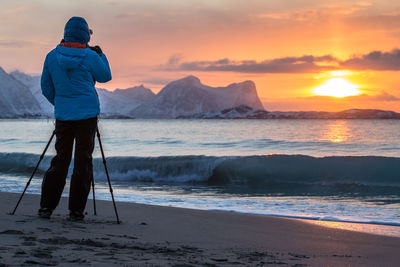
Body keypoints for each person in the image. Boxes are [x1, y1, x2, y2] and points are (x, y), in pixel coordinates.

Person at [38, 16, 112, 221]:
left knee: (60, 159)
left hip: (63, 116)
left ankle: (46, 208)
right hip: (87, 115)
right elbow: (106, 76)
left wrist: (62, 104)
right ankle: (76, 210)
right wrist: (101, 54)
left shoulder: (52, 57)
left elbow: (46, 88)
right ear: (85, 35)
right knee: (83, 160)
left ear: (66, 33)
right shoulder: (90, 56)